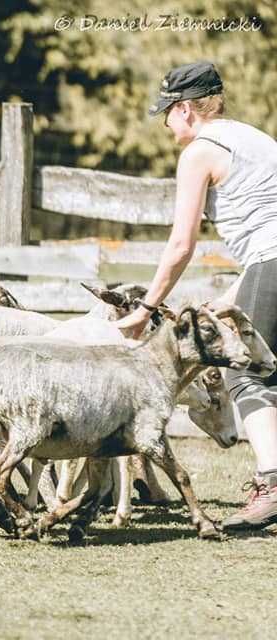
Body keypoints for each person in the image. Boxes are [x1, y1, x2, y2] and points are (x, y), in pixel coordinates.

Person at [115, 61, 277, 531]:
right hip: (266, 263)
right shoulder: (253, 138)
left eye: (166, 112)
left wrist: (145, 308)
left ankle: (272, 485)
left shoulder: (200, 151)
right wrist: (229, 297)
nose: (165, 124)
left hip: (271, 259)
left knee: (248, 376)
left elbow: (182, 244)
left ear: (185, 109)